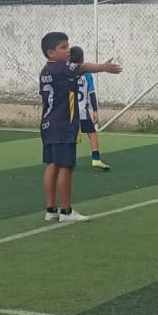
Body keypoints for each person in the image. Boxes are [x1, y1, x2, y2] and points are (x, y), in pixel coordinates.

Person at [40, 31, 121, 222]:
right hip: (64, 124)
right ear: (51, 52)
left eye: (68, 46)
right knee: (65, 166)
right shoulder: (62, 68)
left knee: (52, 165)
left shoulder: (46, 70)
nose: (68, 50)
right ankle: (66, 211)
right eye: (63, 47)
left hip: (47, 124)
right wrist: (103, 67)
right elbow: (82, 66)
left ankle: (51, 209)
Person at [69, 45, 111, 170]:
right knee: (92, 133)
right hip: (83, 111)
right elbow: (91, 93)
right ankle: (96, 159)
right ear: (82, 59)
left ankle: (69, 160)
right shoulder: (87, 75)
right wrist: (95, 111)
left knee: (70, 136)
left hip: (70, 111)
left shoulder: (67, 74)